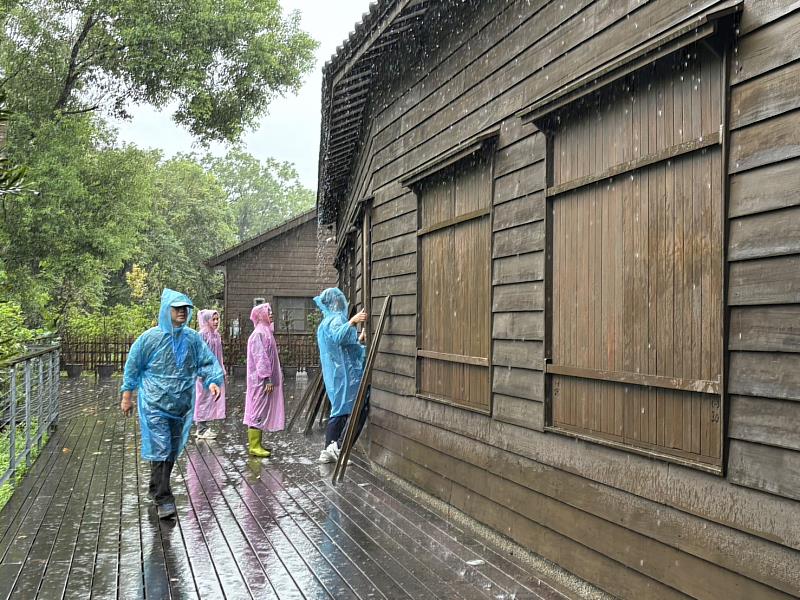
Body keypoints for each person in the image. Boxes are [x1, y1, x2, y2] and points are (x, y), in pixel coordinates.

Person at [120, 288, 223, 520]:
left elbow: (206, 362)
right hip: (155, 404)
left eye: (185, 309)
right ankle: (164, 498)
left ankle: (155, 487)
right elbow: (133, 367)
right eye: (177, 308)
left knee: (172, 450)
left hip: (180, 405)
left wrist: (213, 381)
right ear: (166, 310)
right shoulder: (149, 338)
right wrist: (127, 395)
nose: (182, 313)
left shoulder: (192, 338)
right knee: (161, 446)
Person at [314, 287, 369, 464]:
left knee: (338, 411)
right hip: (345, 375)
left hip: (337, 375)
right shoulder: (336, 319)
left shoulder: (326, 322)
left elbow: (343, 344)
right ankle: (338, 447)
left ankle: (329, 448)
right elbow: (339, 337)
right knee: (356, 410)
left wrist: (358, 340)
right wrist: (352, 322)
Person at [244, 302, 285, 457]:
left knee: (261, 409)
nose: (271, 314)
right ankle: (254, 446)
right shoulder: (259, 334)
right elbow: (261, 358)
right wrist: (267, 378)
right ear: (261, 315)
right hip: (259, 381)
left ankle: (257, 443)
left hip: (263, 380)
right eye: (269, 312)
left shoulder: (266, 332)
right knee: (257, 410)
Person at [194, 309, 226, 439]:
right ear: (207, 320)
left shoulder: (216, 335)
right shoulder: (202, 335)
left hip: (215, 373)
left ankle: (204, 426)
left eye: (217, 319)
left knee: (210, 399)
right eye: (213, 319)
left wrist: (220, 370)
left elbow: (219, 355)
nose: (216, 321)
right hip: (204, 373)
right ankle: (201, 428)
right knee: (202, 398)